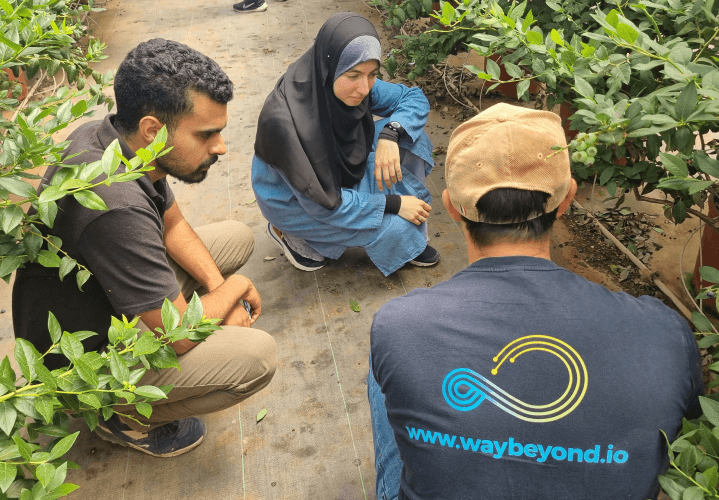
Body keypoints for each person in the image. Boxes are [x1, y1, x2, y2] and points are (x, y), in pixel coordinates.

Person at [368, 103, 703, 499]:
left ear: (453, 209)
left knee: (389, 370)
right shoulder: (664, 331)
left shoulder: (402, 324)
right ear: (567, 200)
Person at [12, 39, 277, 458]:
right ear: (154, 128)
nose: (221, 146)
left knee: (235, 237)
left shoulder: (120, 139)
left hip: (105, 295)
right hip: (80, 362)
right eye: (206, 134)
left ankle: (167, 306)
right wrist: (236, 288)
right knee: (255, 357)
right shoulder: (115, 207)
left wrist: (216, 290)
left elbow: (173, 226)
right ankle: (120, 415)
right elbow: (175, 337)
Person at [251, 13, 438, 275]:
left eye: (372, 74)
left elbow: (412, 98)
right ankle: (296, 236)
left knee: (411, 137)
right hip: (301, 201)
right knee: (400, 228)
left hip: (338, 172)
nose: (364, 89)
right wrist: (392, 204)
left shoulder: (346, 74)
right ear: (330, 67)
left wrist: (390, 134)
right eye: (353, 76)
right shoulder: (285, 124)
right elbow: (325, 204)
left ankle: (384, 222)